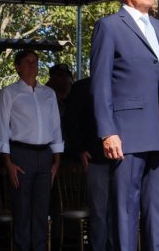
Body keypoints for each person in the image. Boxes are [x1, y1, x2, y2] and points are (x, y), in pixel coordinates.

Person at [90, 0, 159, 251]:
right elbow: (100, 83)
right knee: (125, 212)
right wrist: (107, 130)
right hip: (126, 134)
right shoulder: (109, 26)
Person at [0, 50, 64, 251]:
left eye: (35, 61)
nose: (33, 65)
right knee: (22, 210)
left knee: (42, 211)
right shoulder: (9, 93)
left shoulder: (48, 93)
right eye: (28, 62)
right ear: (17, 67)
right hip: (20, 155)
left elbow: (56, 127)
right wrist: (7, 162)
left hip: (45, 155)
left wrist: (57, 160)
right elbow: (2, 128)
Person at [65, 77, 114, 251]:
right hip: (96, 158)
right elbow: (70, 122)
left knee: (120, 212)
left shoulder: (121, 81)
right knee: (100, 213)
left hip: (123, 160)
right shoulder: (82, 87)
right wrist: (79, 150)